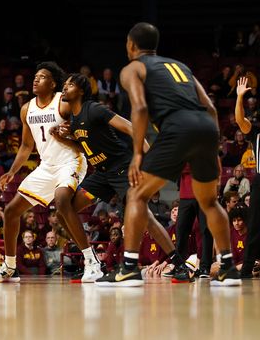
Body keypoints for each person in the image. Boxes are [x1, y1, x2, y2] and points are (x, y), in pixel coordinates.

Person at [97, 22, 240, 287]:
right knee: (209, 202)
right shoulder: (180, 66)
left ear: (131, 45)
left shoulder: (133, 68)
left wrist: (138, 154)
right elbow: (209, 106)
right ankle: (229, 267)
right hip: (206, 128)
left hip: (177, 126)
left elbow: (139, 109)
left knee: (137, 194)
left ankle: (128, 267)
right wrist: (214, 145)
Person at [54, 73, 188, 280]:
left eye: (69, 85)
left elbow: (131, 128)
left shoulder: (94, 109)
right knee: (66, 209)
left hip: (121, 168)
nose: (64, 88)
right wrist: (63, 137)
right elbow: (83, 147)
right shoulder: (75, 118)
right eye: (64, 85)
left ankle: (178, 264)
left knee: (146, 218)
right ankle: (92, 262)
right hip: (102, 174)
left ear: (81, 90)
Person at [0, 63, 101, 283]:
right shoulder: (26, 109)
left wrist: (71, 134)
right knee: (10, 211)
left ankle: (92, 261)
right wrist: (11, 172)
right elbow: (26, 146)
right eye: (35, 76)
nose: (36, 80)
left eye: (43, 77)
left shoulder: (63, 102)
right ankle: (10, 267)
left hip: (70, 161)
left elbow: (84, 132)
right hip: (47, 167)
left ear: (53, 83)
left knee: (61, 201)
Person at [235, 77, 260, 279]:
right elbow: (240, 121)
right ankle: (245, 270)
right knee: (254, 228)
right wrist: (239, 98)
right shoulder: (256, 132)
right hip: (259, 181)